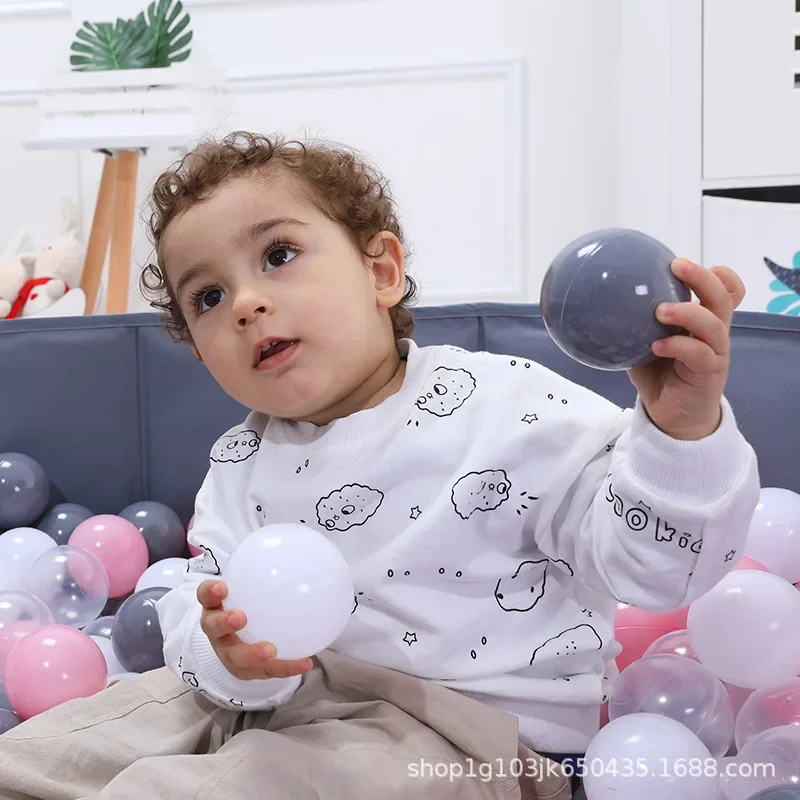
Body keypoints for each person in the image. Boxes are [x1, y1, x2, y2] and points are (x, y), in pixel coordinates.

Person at [0, 131, 760, 800]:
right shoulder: (241, 459)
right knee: (66, 748)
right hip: (270, 706)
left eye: (279, 255)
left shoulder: (514, 410)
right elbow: (203, 604)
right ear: (200, 353)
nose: (246, 302)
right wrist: (228, 653)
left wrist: (679, 431)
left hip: (467, 746)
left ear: (383, 272)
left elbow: (657, 571)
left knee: (232, 786)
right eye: (208, 296)